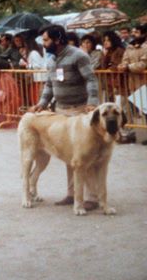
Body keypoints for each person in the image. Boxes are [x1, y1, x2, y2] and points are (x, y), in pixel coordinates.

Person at [30, 25, 100, 211]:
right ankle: (72, 194)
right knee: (70, 157)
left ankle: (92, 197)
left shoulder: (78, 56)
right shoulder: (52, 60)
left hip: (80, 112)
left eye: (46, 40)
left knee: (86, 157)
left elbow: (91, 79)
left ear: (58, 39)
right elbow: (49, 85)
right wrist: (42, 103)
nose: (43, 44)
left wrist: (92, 103)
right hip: (61, 112)